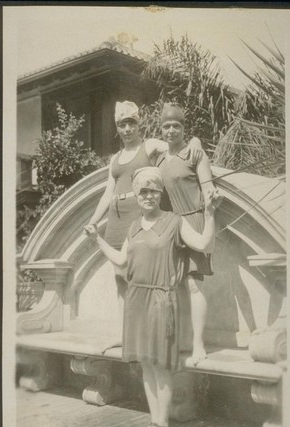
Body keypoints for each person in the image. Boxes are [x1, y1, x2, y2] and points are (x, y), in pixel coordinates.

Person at [84, 167, 215, 427]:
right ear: (137, 196)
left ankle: (164, 424)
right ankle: (154, 421)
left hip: (160, 301)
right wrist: (97, 239)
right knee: (146, 364)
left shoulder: (174, 222)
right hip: (136, 300)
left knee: (160, 365)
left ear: (160, 194)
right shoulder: (133, 227)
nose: (148, 195)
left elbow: (205, 243)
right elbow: (120, 261)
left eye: (153, 190)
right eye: (143, 190)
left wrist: (211, 213)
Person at [85, 101, 202, 323]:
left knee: (143, 276)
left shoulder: (149, 146)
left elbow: (176, 142)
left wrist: (195, 140)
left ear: (138, 125)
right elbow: (108, 192)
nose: (127, 129)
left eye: (131, 123)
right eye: (122, 124)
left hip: (137, 217)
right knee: (120, 278)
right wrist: (93, 221)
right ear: (117, 127)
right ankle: (125, 332)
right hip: (115, 219)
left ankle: (147, 330)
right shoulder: (114, 159)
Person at [157, 103, 220, 366]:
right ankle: (175, 342)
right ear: (161, 129)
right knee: (171, 285)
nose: (171, 130)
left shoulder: (195, 154)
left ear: (184, 128)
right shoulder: (158, 159)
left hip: (193, 220)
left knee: (193, 284)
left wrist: (211, 201)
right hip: (171, 226)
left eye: (177, 126)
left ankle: (198, 344)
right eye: (167, 126)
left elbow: (208, 188)